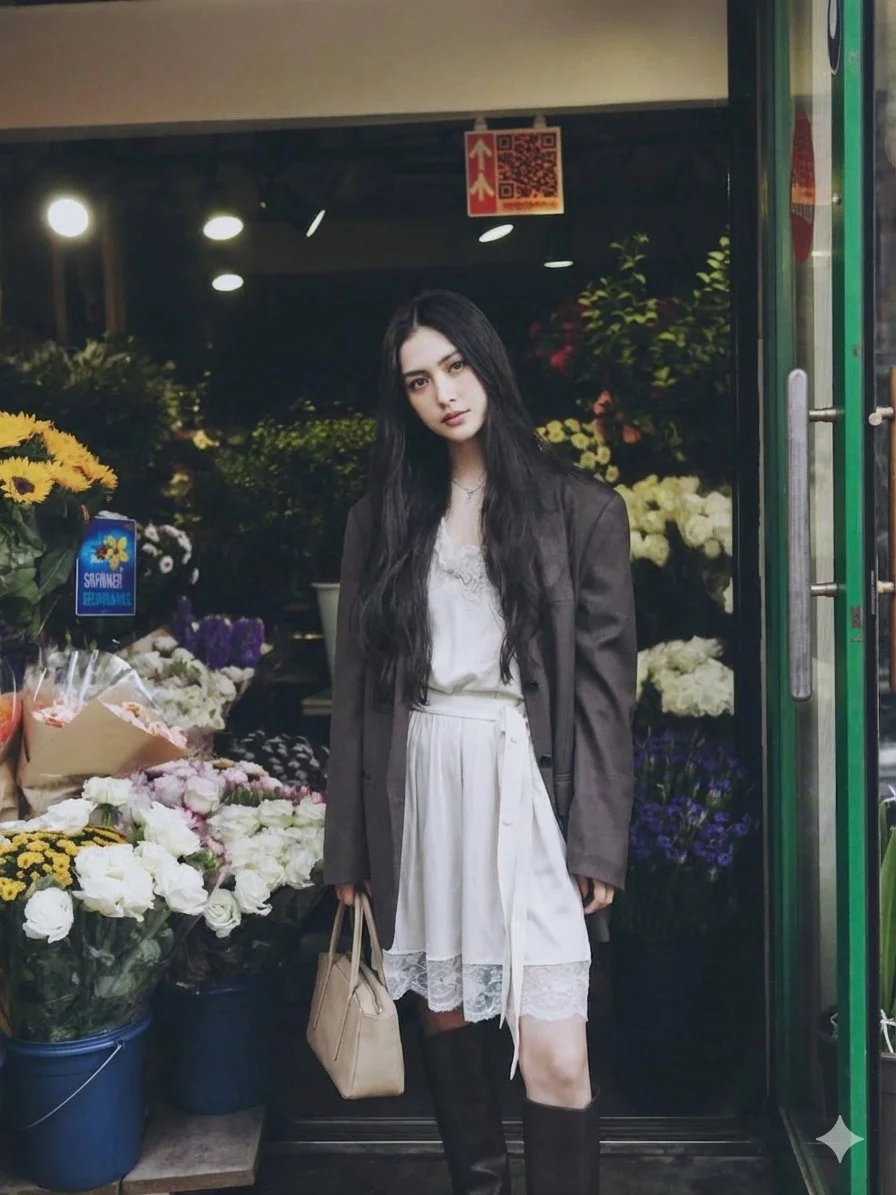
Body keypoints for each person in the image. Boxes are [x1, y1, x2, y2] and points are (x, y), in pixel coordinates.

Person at [322, 290, 636, 1195]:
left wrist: (598, 838)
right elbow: (357, 692)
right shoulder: (382, 517)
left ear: (488, 364)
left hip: (526, 785)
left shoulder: (581, 510)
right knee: (447, 1018)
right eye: (419, 381)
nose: (444, 394)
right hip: (420, 782)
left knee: (559, 1051)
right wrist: (349, 848)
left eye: (456, 367)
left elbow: (605, 690)